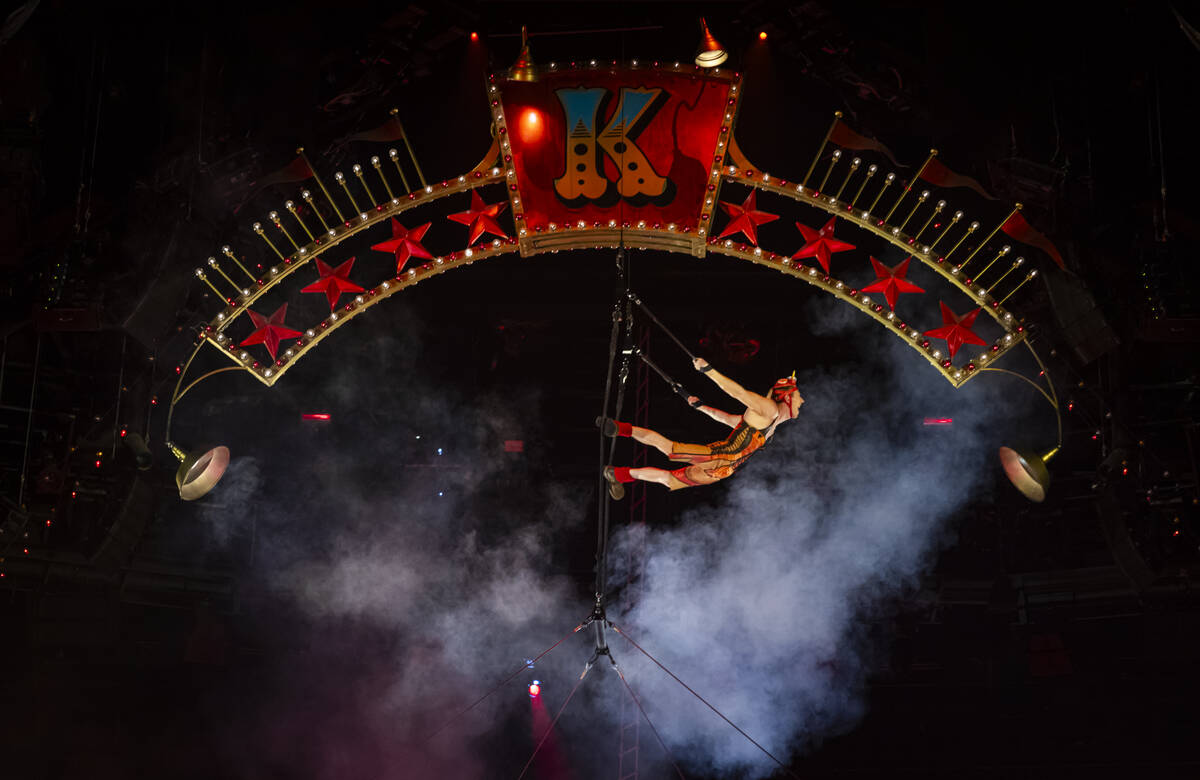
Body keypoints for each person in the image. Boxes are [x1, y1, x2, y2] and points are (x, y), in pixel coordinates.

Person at [601, 357, 804, 498]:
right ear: (787, 395)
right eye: (798, 395)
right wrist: (708, 370)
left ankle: (618, 475)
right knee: (671, 449)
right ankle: (620, 428)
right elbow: (738, 393)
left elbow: (727, 419)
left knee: (669, 479)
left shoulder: (771, 426)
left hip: (724, 469)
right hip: (718, 456)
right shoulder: (768, 410)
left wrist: (701, 407)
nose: (802, 401)